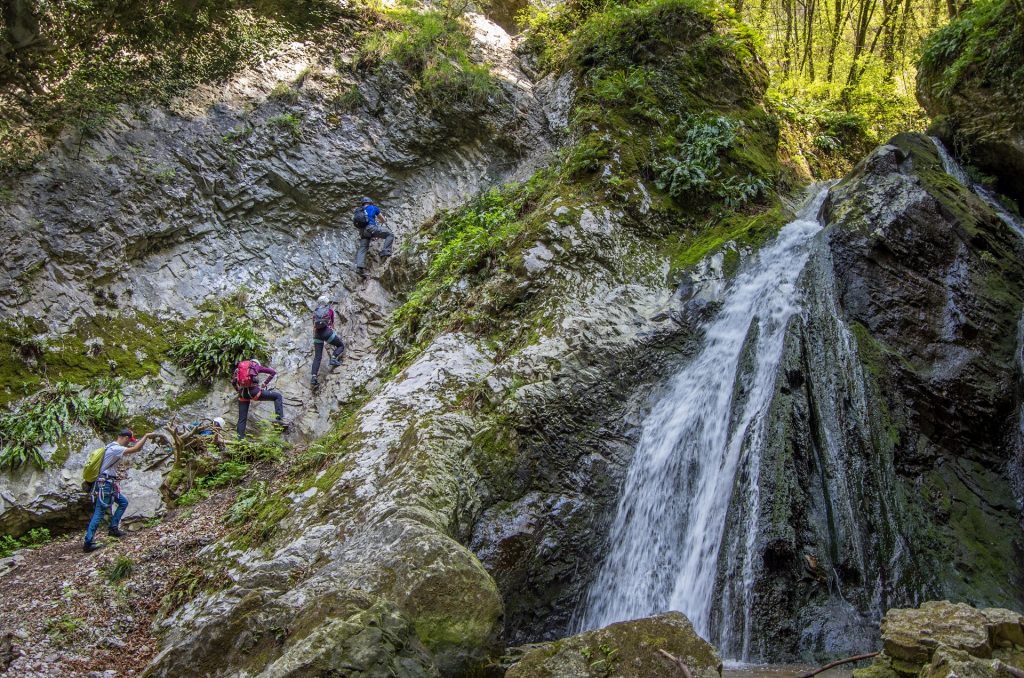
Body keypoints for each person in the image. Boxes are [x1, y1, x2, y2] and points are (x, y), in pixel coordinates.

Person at [83, 428, 153, 553]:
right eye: (129, 440)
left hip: (108, 483)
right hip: (105, 484)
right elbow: (136, 449)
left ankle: (113, 529)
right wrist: (146, 435)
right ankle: (88, 542)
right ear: (125, 438)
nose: (129, 443)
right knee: (99, 512)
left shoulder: (110, 447)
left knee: (123, 502)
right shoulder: (115, 448)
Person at [232, 358, 285, 438]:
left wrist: (238, 390)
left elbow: (233, 382)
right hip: (255, 392)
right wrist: (265, 383)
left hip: (243, 394)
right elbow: (273, 372)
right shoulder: (256, 366)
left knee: (242, 419)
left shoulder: (238, 369)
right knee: (277, 396)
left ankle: (240, 440)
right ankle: (279, 420)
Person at [354, 196, 393, 278]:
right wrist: (384, 220)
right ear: (370, 202)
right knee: (390, 234)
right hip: (371, 228)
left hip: (362, 232)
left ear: (363, 203)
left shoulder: (359, 210)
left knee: (363, 248)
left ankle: (359, 268)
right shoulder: (373, 207)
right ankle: (385, 252)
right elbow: (382, 219)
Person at [311, 296, 345, 387]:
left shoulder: (315, 312)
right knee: (340, 345)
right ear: (326, 301)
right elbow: (332, 322)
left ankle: (313, 377)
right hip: (327, 333)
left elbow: (314, 325)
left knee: (317, 357)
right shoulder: (329, 310)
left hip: (317, 335)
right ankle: (333, 358)